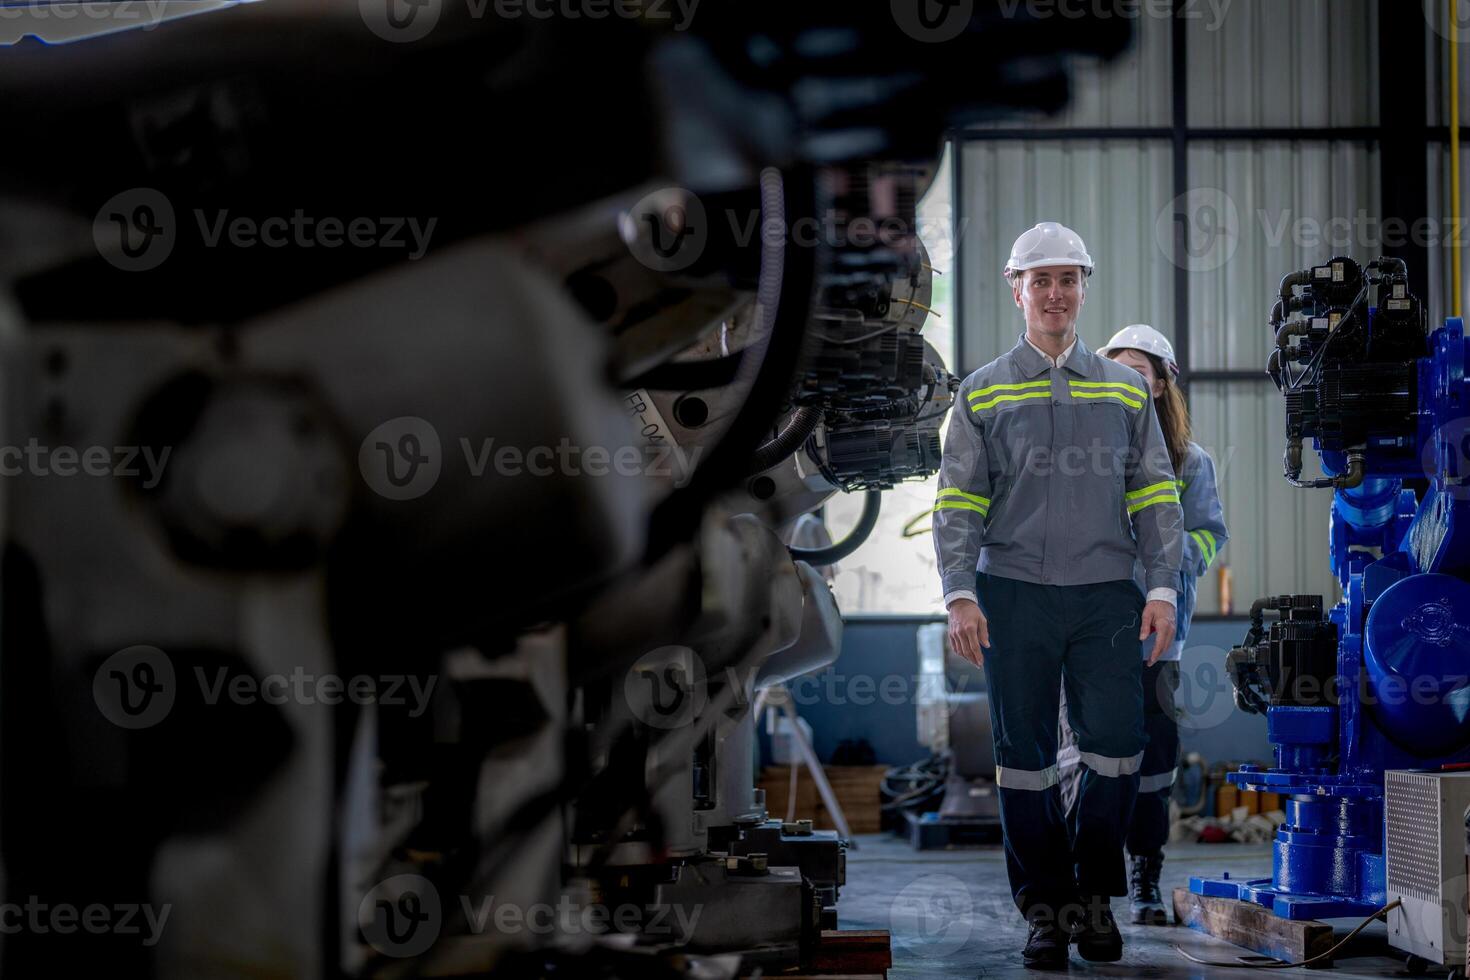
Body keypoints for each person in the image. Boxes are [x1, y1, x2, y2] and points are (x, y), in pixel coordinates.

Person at [931, 222, 1184, 968]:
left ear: (1083, 290)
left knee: (1116, 749)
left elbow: (1156, 494)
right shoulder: (980, 391)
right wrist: (958, 593)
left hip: (1108, 594)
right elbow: (958, 503)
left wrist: (1163, 587)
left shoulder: (1124, 387)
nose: (1054, 293)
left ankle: (1096, 899)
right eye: (1040, 280)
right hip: (1012, 597)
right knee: (1025, 758)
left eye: (1068, 279)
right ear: (1017, 290)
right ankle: (1047, 911)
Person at [1056, 324, 1229, 926]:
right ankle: (1082, 886)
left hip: (1158, 641)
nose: (1130, 381)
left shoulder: (1192, 462)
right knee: (1086, 759)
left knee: (1153, 765)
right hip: (1086, 634)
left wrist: (1164, 551)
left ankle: (1146, 879)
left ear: (1160, 387)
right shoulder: (1081, 455)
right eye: (1118, 370)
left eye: (1141, 373)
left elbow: (1210, 532)